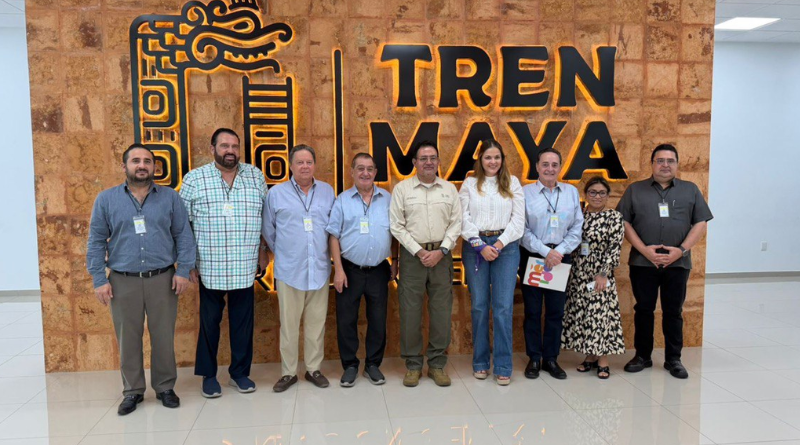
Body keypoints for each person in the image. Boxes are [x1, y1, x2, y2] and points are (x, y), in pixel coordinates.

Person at [87, 144, 196, 415]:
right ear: (124, 166)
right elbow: (96, 240)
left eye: (147, 161)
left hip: (163, 279)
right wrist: (99, 278)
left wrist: (183, 271)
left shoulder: (170, 198)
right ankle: (133, 391)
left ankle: (165, 387)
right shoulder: (106, 199)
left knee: (163, 336)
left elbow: (183, 235)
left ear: (154, 167)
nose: (142, 165)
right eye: (135, 160)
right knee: (128, 338)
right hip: (123, 281)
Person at [180, 128, 268, 397]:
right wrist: (188, 263)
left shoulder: (255, 175)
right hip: (210, 266)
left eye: (235, 146)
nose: (230, 151)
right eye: (224, 146)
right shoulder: (195, 179)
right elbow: (182, 226)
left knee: (243, 324)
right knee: (209, 324)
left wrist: (263, 251)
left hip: (245, 264)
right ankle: (208, 376)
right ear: (212, 149)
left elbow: (265, 217)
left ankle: (239, 373)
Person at [617, 144, 712, 379]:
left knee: (673, 311)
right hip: (643, 263)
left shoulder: (691, 190)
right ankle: (642, 356)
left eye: (670, 161)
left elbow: (700, 222)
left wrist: (681, 251)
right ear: (652, 164)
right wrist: (644, 251)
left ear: (677, 164)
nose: (665, 165)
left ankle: (673, 359)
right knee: (643, 309)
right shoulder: (635, 190)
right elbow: (623, 222)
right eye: (660, 160)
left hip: (677, 263)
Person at [263, 144, 336, 392]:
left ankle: (313, 369)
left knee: (316, 324)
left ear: (314, 165)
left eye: (309, 162)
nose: (305, 166)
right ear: (291, 166)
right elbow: (269, 230)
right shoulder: (276, 194)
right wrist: (286, 252)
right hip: (289, 270)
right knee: (289, 325)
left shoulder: (327, 191)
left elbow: (332, 228)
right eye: (300, 162)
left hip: (319, 268)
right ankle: (288, 373)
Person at [390, 140, 462, 387]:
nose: (428, 162)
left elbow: (456, 223)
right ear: (414, 162)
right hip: (413, 257)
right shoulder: (402, 190)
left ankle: (437, 364)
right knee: (410, 312)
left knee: (441, 311)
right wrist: (419, 251)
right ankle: (412, 365)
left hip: (442, 256)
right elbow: (396, 226)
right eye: (423, 158)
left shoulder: (449, 189)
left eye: (432, 158)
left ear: (439, 161)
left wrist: (442, 250)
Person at [326, 153, 398, 387]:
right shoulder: (342, 200)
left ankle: (373, 365)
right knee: (346, 319)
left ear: (375, 172)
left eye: (369, 169)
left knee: (378, 319)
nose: (365, 173)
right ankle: (349, 365)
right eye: (360, 168)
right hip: (349, 270)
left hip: (379, 269)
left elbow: (396, 232)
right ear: (352, 172)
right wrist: (338, 269)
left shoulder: (387, 199)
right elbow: (333, 236)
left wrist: (395, 261)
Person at [458, 139, 524, 385]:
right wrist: (481, 246)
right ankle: (481, 362)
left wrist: (497, 245)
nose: (493, 161)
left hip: (506, 248)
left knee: (503, 307)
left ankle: (504, 365)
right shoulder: (469, 184)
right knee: (479, 306)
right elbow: (462, 218)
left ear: (502, 159)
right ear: (480, 160)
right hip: (476, 248)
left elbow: (518, 221)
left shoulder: (512, 183)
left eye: (497, 157)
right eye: (488, 157)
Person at [519, 148, 584, 380]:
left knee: (556, 311)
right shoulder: (525, 192)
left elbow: (577, 227)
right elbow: (522, 229)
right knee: (533, 311)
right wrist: (547, 251)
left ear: (560, 167)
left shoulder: (571, 192)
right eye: (545, 164)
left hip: (561, 258)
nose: (550, 169)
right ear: (537, 166)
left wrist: (559, 251)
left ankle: (551, 358)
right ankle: (534, 357)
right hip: (534, 256)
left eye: (554, 164)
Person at [562, 176, 625, 379]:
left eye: (602, 193)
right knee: (584, 315)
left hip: (600, 275)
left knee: (600, 315)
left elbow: (614, 247)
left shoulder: (614, 217)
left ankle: (603, 360)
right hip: (578, 273)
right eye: (593, 192)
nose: (597, 196)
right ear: (586, 194)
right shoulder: (579, 215)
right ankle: (590, 356)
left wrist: (603, 273)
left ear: (607, 195)